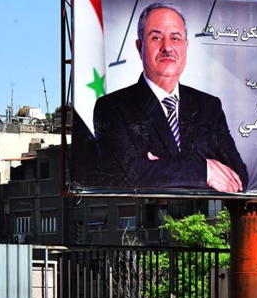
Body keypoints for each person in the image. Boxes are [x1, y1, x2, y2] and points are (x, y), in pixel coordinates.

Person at [93, 2, 248, 193]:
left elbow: (239, 177)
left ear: (186, 46)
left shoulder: (209, 107)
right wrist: (204, 170)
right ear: (139, 46)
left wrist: (160, 169)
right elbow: (121, 176)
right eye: (156, 37)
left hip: (206, 221)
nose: (167, 47)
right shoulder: (112, 107)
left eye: (175, 38)